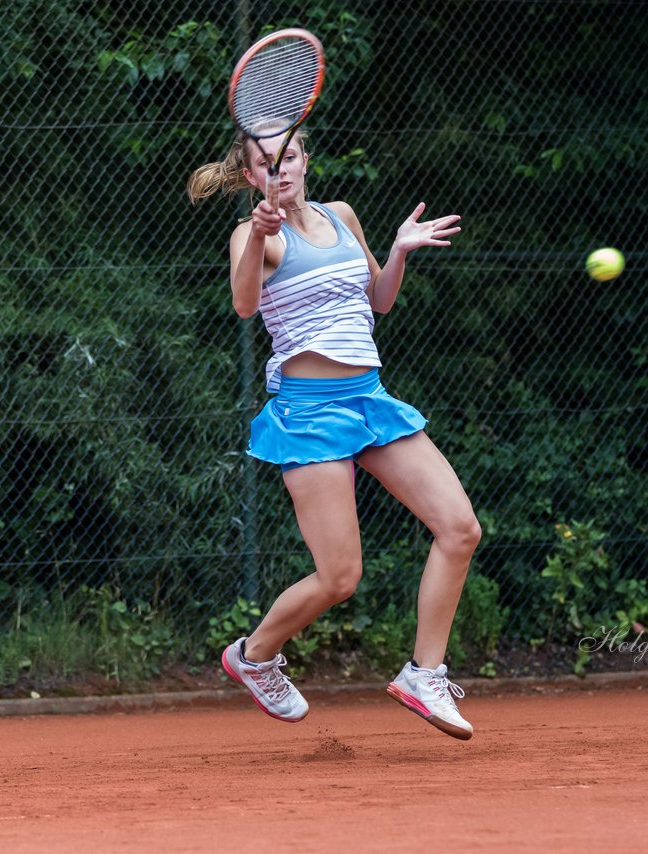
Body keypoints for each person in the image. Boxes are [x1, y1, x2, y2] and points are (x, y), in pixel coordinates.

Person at [186, 127, 481, 740]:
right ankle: (254, 655)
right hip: (309, 415)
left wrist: (397, 251)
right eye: (265, 165)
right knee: (341, 578)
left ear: (304, 159)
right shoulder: (253, 235)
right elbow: (245, 306)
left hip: (368, 400)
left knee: (460, 528)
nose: (279, 170)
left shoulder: (342, 216)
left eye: (287, 157)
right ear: (251, 178)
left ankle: (424, 675)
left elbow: (378, 300)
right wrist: (258, 239)